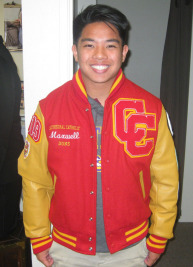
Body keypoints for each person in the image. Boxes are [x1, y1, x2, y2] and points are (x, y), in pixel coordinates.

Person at [18, 4, 179, 267]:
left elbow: (166, 180)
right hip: (67, 248)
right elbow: (35, 180)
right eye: (90, 45)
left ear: (124, 52)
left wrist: (159, 236)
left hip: (131, 247)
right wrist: (38, 235)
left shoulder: (151, 108)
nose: (100, 55)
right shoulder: (50, 108)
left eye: (111, 46)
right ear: (75, 51)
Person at [0, 35, 24, 238]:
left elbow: (3, 122)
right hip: (6, 165)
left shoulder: (1, 62)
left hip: (4, 167)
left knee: (5, 234)